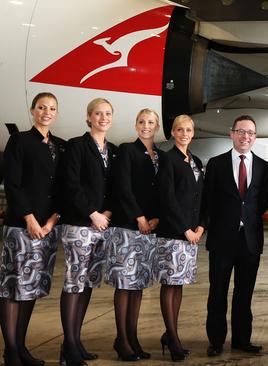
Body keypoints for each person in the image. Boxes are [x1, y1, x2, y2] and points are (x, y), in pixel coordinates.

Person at [0, 92, 65, 366]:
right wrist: (30, 219)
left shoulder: (60, 146)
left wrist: (51, 222)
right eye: (41, 107)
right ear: (32, 110)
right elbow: (12, 184)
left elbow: (65, 187)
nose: (46, 112)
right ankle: (11, 350)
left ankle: (22, 347)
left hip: (48, 229)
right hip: (22, 227)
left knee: (32, 288)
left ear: (56, 113)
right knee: (13, 287)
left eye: (51, 108)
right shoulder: (20, 140)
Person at [203, 115, 268, 356]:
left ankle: (242, 339)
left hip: (250, 241)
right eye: (241, 131)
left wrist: (247, 218)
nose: (245, 136)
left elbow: (262, 200)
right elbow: (207, 200)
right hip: (222, 240)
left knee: (245, 294)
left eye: (250, 132)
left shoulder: (264, 167)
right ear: (231, 134)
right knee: (218, 292)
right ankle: (216, 341)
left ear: (255, 137)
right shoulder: (216, 164)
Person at [59, 98, 117, 366]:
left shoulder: (112, 150)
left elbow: (114, 189)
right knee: (74, 283)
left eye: (107, 114)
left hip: (101, 226)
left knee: (87, 284)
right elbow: (70, 185)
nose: (103, 118)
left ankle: (76, 341)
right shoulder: (77, 145)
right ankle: (68, 346)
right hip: (80, 225)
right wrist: (92, 213)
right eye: (98, 113)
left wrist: (106, 213)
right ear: (89, 117)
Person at [105, 108, 163, 361]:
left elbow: (163, 190)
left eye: (151, 122)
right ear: (135, 125)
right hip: (127, 226)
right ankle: (122, 340)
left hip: (149, 228)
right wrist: (139, 216)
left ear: (157, 127)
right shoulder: (127, 150)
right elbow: (123, 187)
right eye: (141, 122)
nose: (146, 126)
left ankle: (133, 337)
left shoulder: (160, 156)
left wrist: (156, 217)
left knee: (138, 285)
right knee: (124, 285)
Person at [155, 115, 204, 361]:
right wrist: (186, 229)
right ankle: (172, 338)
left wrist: (200, 228)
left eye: (188, 130)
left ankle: (170, 333)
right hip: (174, 233)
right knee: (169, 284)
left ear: (193, 133)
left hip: (191, 235)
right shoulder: (168, 159)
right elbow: (168, 198)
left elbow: (201, 198)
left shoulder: (195, 161)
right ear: (173, 133)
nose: (184, 134)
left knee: (179, 284)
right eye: (180, 130)